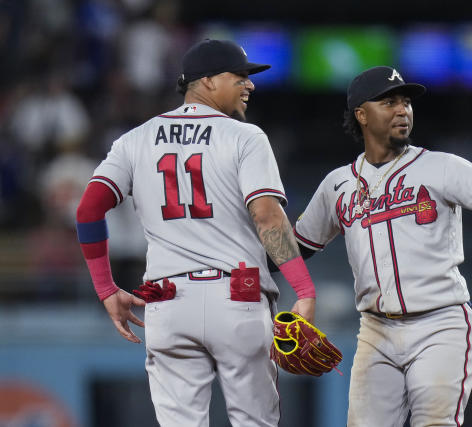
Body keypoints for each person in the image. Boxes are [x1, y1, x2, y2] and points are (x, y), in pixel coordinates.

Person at [293, 66, 472, 426]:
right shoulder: (337, 185)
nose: (402, 109)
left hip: (440, 323)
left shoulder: (438, 167)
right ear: (361, 114)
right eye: (389, 101)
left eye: (406, 101)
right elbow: (296, 247)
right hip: (375, 330)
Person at [75, 39, 316, 427]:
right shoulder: (245, 137)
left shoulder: (134, 140)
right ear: (205, 81)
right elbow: (268, 218)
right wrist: (304, 290)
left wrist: (106, 289)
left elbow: (88, 210)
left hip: (168, 303)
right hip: (238, 296)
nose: (249, 84)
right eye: (238, 75)